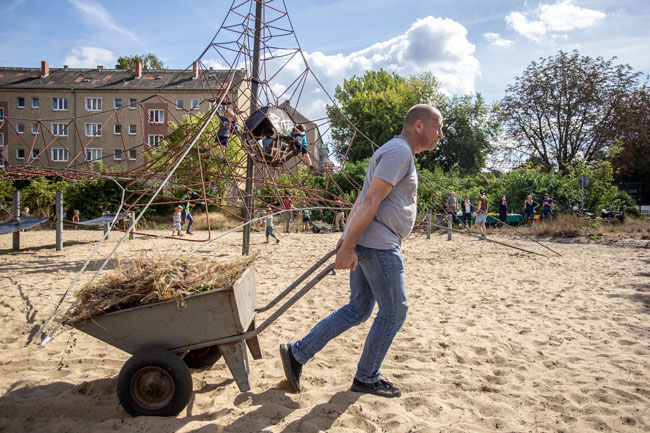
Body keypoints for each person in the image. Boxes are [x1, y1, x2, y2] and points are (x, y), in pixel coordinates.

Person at [279, 104, 444, 398]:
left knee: (359, 309)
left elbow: (363, 195)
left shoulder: (396, 151)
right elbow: (370, 200)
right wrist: (349, 245)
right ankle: (367, 377)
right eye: (437, 127)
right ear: (419, 126)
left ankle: (296, 353)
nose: (440, 134)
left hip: (371, 241)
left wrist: (346, 237)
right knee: (394, 312)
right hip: (379, 245)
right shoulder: (399, 152)